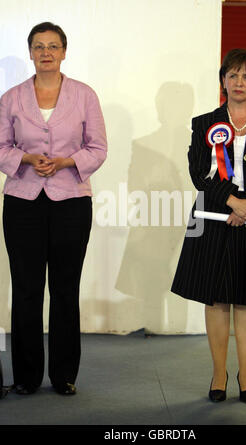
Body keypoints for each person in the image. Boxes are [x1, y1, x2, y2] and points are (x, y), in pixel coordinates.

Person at [171, 49, 246, 404]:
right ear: (223, 80)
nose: (239, 82)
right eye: (233, 75)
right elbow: (199, 173)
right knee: (216, 300)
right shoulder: (203, 123)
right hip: (214, 219)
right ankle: (219, 373)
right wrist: (231, 201)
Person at [0, 22, 107, 395]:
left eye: (54, 46)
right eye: (39, 46)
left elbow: (98, 148)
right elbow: (0, 148)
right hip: (22, 202)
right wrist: (25, 157)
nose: (46, 52)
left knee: (65, 289)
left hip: (71, 203)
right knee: (27, 290)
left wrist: (65, 163)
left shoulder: (85, 96)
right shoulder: (11, 97)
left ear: (64, 52)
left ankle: (64, 375)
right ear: (30, 52)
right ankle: (27, 377)